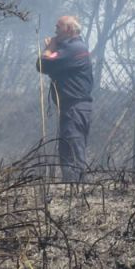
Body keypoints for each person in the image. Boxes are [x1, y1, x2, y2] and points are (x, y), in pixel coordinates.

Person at [36, 15, 93, 183]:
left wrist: (50, 48)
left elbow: (43, 64)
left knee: (72, 150)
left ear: (68, 30)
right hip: (72, 108)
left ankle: (76, 190)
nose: (55, 31)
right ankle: (74, 188)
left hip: (75, 108)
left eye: (58, 28)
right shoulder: (72, 49)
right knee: (68, 148)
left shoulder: (74, 49)